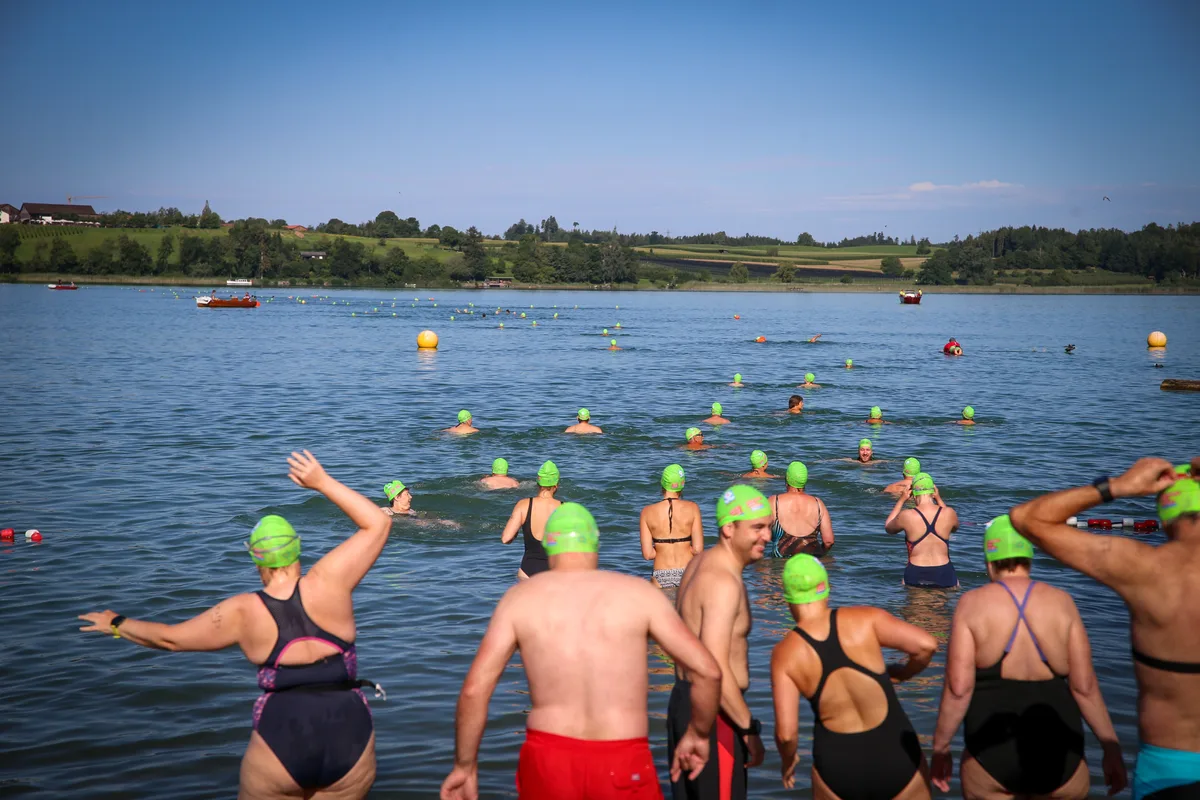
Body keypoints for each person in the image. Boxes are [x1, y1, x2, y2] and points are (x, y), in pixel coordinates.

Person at [79, 451, 389, 799]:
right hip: (348, 735)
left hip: (281, 742)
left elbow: (170, 640)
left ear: (255, 557)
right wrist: (321, 482)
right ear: (298, 549)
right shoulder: (331, 582)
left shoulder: (244, 611)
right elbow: (377, 522)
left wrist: (117, 623)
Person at [441, 503, 722, 800]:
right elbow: (707, 671)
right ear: (595, 543)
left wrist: (465, 766)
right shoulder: (639, 595)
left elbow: (474, 691)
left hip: (549, 758)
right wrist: (698, 734)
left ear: (549, 546)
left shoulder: (519, 600)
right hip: (623, 756)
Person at [1010, 458, 1200, 800]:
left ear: (1165, 520)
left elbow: (1026, 517)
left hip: (1170, 770)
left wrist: (1117, 486)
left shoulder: (1147, 570)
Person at [930, 515, 1127, 799]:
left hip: (991, 757)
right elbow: (1085, 688)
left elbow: (958, 689)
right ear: (1029, 557)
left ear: (988, 560)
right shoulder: (1062, 603)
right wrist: (1111, 748)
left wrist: (941, 747)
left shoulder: (972, 606)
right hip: (1062, 756)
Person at [771, 555, 936, 799]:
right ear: (826, 588)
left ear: (787, 598)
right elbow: (926, 645)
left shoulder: (785, 653)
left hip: (838, 769)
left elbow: (786, 734)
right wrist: (903, 673)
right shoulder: (865, 619)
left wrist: (788, 761)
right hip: (897, 756)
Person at [670, 486, 774, 800]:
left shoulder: (697, 564)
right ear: (729, 528)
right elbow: (713, 668)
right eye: (757, 528)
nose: (767, 537)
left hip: (683, 703)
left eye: (769, 526)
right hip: (713, 714)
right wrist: (748, 729)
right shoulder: (723, 583)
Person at [885, 473, 960, 588]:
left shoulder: (907, 515)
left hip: (916, 571)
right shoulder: (949, 513)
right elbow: (954, 528)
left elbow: (888, 528)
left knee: (914, 604)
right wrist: (938, 498)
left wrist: (901, 500)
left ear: (913, 493)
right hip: (944, 571)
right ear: (933, 491)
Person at [640, 464, 705, 589]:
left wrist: (662, 548)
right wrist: (684, 547)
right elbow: (698, 549)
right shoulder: (693, 508)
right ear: (682, 484)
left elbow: (648, 554)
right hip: (686, 572)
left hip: (660, 574)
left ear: (663, 484)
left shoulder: (646, 512)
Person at [500, 461, 562, 580]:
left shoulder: (524, 505)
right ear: (556, 485)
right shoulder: (566, 508)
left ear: (538, 482)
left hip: (528, 570)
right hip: (555, 571)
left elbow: (506, 538)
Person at [768, 462, 834, 557]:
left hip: (783, 563)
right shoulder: (818, 503)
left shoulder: (774, 502)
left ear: (787, 479)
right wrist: (821, 554)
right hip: (812, 561)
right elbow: (829, 541)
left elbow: (759, 535)